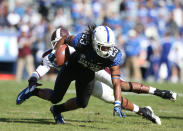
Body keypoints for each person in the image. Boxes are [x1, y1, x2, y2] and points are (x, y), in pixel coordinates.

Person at [16, 26, 176, 125]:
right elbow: (44, 65)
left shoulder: (111, 54)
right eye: (103, 47)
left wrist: (118, 102)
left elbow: (117, 82)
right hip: (74, 69)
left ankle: (152, 100)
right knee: (60, 97)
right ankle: (42, 98)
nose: (107, 50)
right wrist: (32, 80)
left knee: (119, 86)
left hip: (92, 70)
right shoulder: (73, 45)